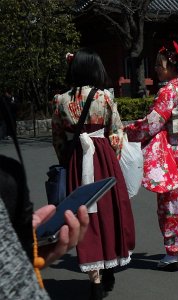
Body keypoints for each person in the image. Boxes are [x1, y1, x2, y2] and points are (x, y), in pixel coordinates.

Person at [52, 48, 135, 300]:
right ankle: (109, 267)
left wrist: (68, 160)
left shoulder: (60, 100)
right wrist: (112, 159)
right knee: (109, 214)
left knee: (84, 216)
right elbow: (117, 133)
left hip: (79, 160)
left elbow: (57, 138)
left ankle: (95, 279)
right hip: (104, 159)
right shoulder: (105, 98)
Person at [124, 41, 178, 273]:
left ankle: (172, 254)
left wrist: (128, 131)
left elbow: (153, 123)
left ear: (172, 66)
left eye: (159, 64)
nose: (156, 68)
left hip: (172, 155)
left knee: (170, 205)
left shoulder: (168, 91)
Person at [0, 98, 89, 299]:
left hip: (75, 156)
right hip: (101, 155)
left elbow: (57, 136)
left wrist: (64, 158)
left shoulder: (63, 100)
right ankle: (102, 274)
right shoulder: (8, 178)